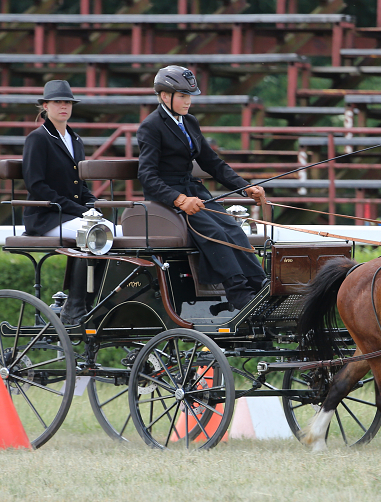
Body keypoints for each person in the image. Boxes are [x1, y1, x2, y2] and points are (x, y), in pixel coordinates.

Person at [137, 65, 268, 312]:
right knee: (213, 233)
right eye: (183, 96)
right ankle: (239, 293)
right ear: (166, 96)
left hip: (194, 193)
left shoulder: (190, 122)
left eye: (190, 96)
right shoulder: (151, 126)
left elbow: (211, 162)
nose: (188, 102)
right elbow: (147, 176)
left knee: (232, 228)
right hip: (165, 200)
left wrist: (244, 187)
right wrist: (178, 199)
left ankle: (259, 284)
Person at [22, 80, 112, 325]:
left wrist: (92, 203)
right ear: (45, 106)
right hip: (46, 216)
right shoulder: (38, 139)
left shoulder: (75, 140)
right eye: (57, 102)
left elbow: (80, 185)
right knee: (97, 231)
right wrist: (81, 211)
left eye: (67, 102)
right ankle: (74, 308)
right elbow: (37, 186)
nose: (63, 106)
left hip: (72, 214)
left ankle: (88, 303)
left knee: (111, 232)